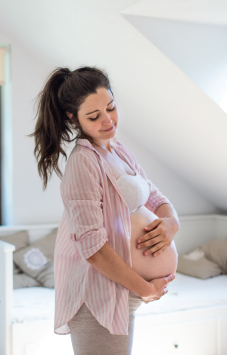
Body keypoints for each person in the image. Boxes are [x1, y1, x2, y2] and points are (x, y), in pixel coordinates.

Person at [31, 66, 180, 355]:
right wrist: (146, 289)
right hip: (97, 297)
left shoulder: (117, 150)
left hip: (123, 292)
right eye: (94, 116)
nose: (107, 120)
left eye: (110, 107)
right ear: (72, 118)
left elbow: (154, 196)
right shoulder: (83, 163)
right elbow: (93, 249)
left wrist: (171, 222)